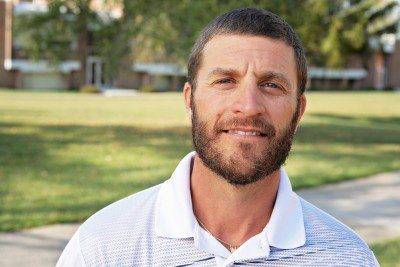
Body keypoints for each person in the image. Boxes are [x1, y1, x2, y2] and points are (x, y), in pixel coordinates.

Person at [57, 8, 378, 267]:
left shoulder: (348, 258)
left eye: (271, 85)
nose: (248, 106)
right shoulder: (103, 248)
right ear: (189, 100)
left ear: (298, 112)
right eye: (225, 80)